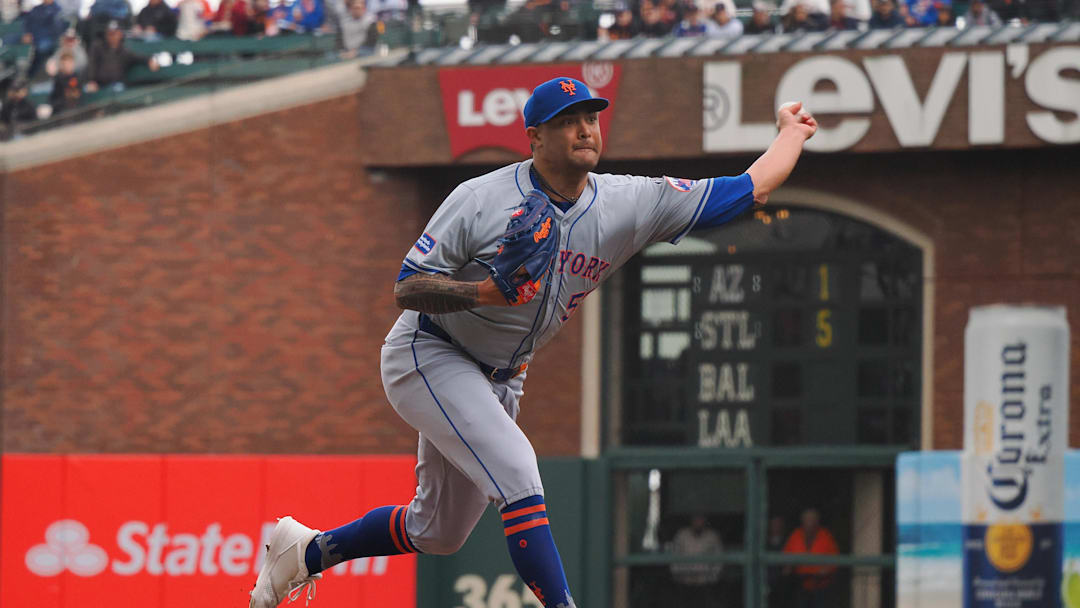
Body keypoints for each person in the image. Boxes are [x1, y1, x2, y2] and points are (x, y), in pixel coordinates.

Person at [248, 77, 818, 608]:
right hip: (429, 353)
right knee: (520, 470)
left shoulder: (628, 201)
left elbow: (750, 189)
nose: (585, 129)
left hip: (502, 376)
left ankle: (305, 551)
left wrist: (790, 134)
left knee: (438, 532)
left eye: (591, 117)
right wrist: (487, 293)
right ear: (535, 136)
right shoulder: (481, 198)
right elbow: (407, 288)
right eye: (568, 120)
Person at [782, 508, 839, 608]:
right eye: (807, 519)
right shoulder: (796, 535)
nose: (810, 522)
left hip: (821, 585)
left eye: (812, 519)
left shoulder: (825, 535)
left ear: (817, 521)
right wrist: (788, 566)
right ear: (802, 521)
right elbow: (786, 554)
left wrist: (826, 570)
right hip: (800, 584)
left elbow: (835, 558)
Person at [86, 21, 159, 92]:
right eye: (110, 34)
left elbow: (138, 57)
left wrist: (150, 60)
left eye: (115, 33)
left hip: (116, 85)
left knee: (118, 89)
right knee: (87, 90)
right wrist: (91, 81)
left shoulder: (124, 51)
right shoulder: (98, 47)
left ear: (120, 34)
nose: (112, 36)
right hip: (99, 85)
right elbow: (92, 64)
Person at [669, 514, 723, 606]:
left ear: (705, 521)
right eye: (696, 520)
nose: (698, 522)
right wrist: (680, 575)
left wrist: (712, 577)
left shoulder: (712, 536)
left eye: (700, 520)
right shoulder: (681, 535)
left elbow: (719, 560)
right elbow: (674, 558)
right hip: (684, 582)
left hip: (706, 583)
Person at [20, 0, 66, 76]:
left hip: (47, 39)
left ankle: (31, 74)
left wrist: (34, 36)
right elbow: (27, 22)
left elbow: (56, 30)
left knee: (42, 47)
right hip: (32, 36)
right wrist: (27, 33)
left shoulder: (57, 9)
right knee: (9, 40)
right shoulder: (36, 8)